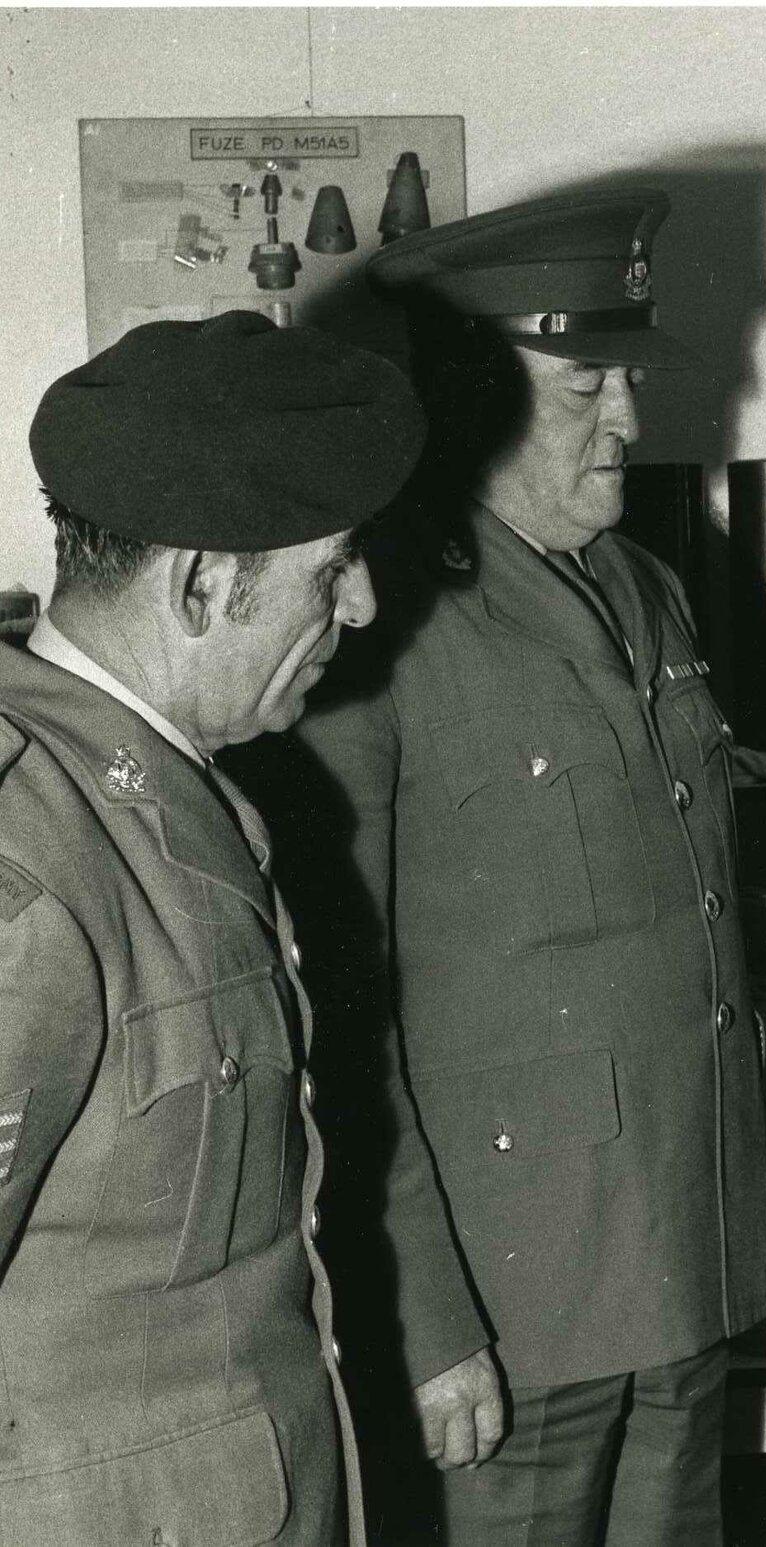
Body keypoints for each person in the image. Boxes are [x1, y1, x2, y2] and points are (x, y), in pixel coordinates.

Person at [229, 186, 766, 1546]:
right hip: (516, 1309)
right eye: (586, 385)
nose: (631, 424)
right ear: (473, 398)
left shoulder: (647, 589)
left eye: (627, 382)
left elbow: (697, 921)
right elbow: (336, 1014)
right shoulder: (377, 627)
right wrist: (423, 1310)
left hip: (688, 1260)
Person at [0, 312, 425, 1543]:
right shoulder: (29, 861)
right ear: (198, 582)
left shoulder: (186, 793)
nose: (362, 601)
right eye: (333, 564)